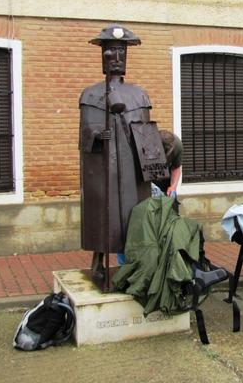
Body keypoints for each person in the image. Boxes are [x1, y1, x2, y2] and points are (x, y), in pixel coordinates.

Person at [79, 23, 168, 288]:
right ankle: (98, 259)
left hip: (132, 170)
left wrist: (155, 163)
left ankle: (136, 263)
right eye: (112, 52)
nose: (117, 58)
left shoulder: (138, 94)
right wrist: (96, 135)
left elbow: (145, 132)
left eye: (121, 52)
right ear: (103, 57)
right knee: (103, 216)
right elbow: (84, 133)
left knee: (134, 215)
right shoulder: (91, 94)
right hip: (104, 168)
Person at [154, 130, 183, 197]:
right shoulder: (145, 145)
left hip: (165, 179)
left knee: (168, 203)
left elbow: (176, 168)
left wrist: (173, 187)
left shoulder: (177, 145)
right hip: (148, 180)